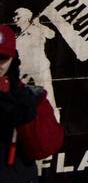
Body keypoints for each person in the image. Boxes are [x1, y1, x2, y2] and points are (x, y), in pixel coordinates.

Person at [0, 25, 63, 182]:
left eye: (3, 58)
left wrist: (28, 119)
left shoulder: (30, 96)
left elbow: (45, 147)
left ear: (13, 60)